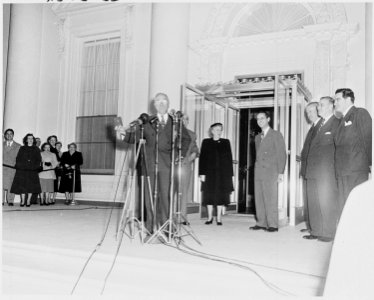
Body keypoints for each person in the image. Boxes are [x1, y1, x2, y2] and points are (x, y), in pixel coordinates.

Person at [118, 92, 191, 233]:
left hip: (168, 164)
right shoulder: (146, 121)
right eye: (158, 101)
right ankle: (150, 227)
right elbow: (134, 137)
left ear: (168, 103)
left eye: (164, 101)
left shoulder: (175, 121)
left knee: (165, 195)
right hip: (149, 163)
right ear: (154, 105)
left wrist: (179, 156)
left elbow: (186, 139)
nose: (161, 103)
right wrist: (122, 133)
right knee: (149, 195)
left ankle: (166, 226)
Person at [303, 97, 340, 242]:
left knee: (326, 202)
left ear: (331, 106)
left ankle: (329, 233)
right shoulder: (318, 125)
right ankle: (316, 231)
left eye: (321, 105)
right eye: (318, 105)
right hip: (312, 170)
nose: (318, 108)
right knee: (314, 202)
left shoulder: (336, 123)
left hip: (326, 171)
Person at [334, 88, 372, 217]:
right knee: (344, 206)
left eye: (338, 99)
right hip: (342, 171)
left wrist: (370, 163)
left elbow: (369, 139)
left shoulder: (360, 113)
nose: (335, 103)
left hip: (355, 169)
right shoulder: (341, 120)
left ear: (348, 99)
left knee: (357, 206)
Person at [250, 111, 286, 232]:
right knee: (259, 197)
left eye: (262, 118)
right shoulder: (257, 137)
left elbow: (282, 154)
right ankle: (261, 222)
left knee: (271, 198)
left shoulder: (276, 135)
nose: (259, 121)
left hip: (271, 171)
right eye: (258, 119)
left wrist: (281, 172)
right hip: (259, 170)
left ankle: (273, 225)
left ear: (268, 119)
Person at [199, 123, 234, 226]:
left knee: (220, 195)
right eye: (217, 129)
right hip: (209, 173)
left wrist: (230, 175)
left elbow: (229, 159)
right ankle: (209, 218)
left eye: (220, 130)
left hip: (222, 174)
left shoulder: (226, 142)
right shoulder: (205, 142)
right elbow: (202, 159)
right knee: (208, 195)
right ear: (212, 130)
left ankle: (218, 218)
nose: (219, 131)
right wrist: (202, 173)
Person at [299, 102, 322, 233]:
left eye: (311, 111)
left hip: (315, 171)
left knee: (315, 200)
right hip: (308, 170)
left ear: (318, 110)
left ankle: (316, 229)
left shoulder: (321, 126)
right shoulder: (312, 128)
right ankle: (312, 227)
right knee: (309, 200)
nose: (309, 114)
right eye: (307, 112)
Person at [10, 133, 42, 207]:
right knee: (22, 186)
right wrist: (21, 166)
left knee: (31, 187)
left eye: (31, 138)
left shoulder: (36, 149)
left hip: (32, 170)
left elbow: (38, 160)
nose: (30, 140)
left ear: (33, 140)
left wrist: (34, 167)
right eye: (29, 138)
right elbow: (18, 158)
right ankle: (23, 201)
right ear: (26, 140)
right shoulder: (22, 148)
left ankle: (28, 201)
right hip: (22, 170)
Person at [179, 114, 199, 224]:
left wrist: (194, 153)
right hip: (173, 165)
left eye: (186, 119)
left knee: (184, 191)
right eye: (182, 118)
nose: (184, 121)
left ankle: (183, 217)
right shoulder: (172, 132)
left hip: (186, 165)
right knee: (171, 191)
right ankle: (170, 216)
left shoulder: (192, 134)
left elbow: (195, 148)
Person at [3, 129, 21, 206]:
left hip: (12, 169)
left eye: (11, 134)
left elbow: (20, 158)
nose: (9, 135)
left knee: (11, 185)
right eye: (7, 134)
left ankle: (10, 200)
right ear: (5, 135)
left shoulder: (18, 146)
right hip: (2, 168)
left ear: (13, 135)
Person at [47, 135, 60, 204]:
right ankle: (48, 199)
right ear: (49, 141)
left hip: (56, 169)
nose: (53, 141)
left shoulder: (55, 149)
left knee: (54, 184)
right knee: (50, 184)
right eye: (51, 140)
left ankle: (52, 199)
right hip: (50, 169)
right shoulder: (48, 148)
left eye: (54, 140)